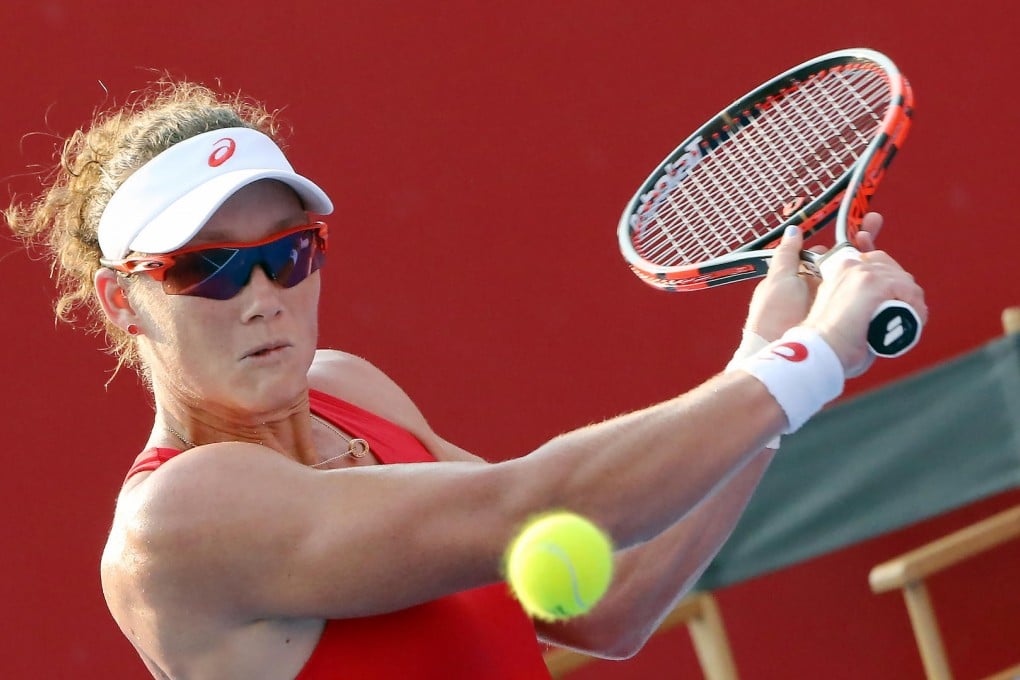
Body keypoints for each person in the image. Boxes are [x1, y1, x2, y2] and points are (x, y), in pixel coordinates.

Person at [5, 79, 926, 679]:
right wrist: (808, 359)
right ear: (123, 303)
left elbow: (611, 604)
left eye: (287, 254)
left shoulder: (352, 389)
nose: (258, 297)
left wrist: (763, 367)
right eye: (204, 268)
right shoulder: (180, 516)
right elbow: (527, 506)